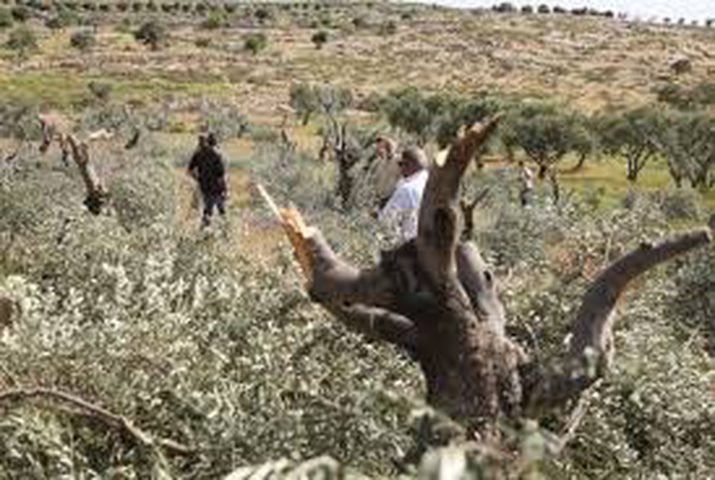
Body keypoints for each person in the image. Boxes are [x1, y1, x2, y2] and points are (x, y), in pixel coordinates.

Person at [378, 146, 429, 246]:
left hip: (406, 247)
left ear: (410, 164)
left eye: (401, 164)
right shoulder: (429, 182)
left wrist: (376, 215)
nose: (400, 168)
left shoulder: (407, 189)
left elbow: (386, 221)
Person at [187, 133, 228, 227]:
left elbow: (190, 171)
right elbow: (221, 175)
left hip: (204, 186)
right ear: (215, 143)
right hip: (217, 187)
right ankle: (224, 231)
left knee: (208, 209)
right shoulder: (217, 155)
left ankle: (204, 232)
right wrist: (225, 189)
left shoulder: (198, 153)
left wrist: (198, 179)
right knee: (221, 210)